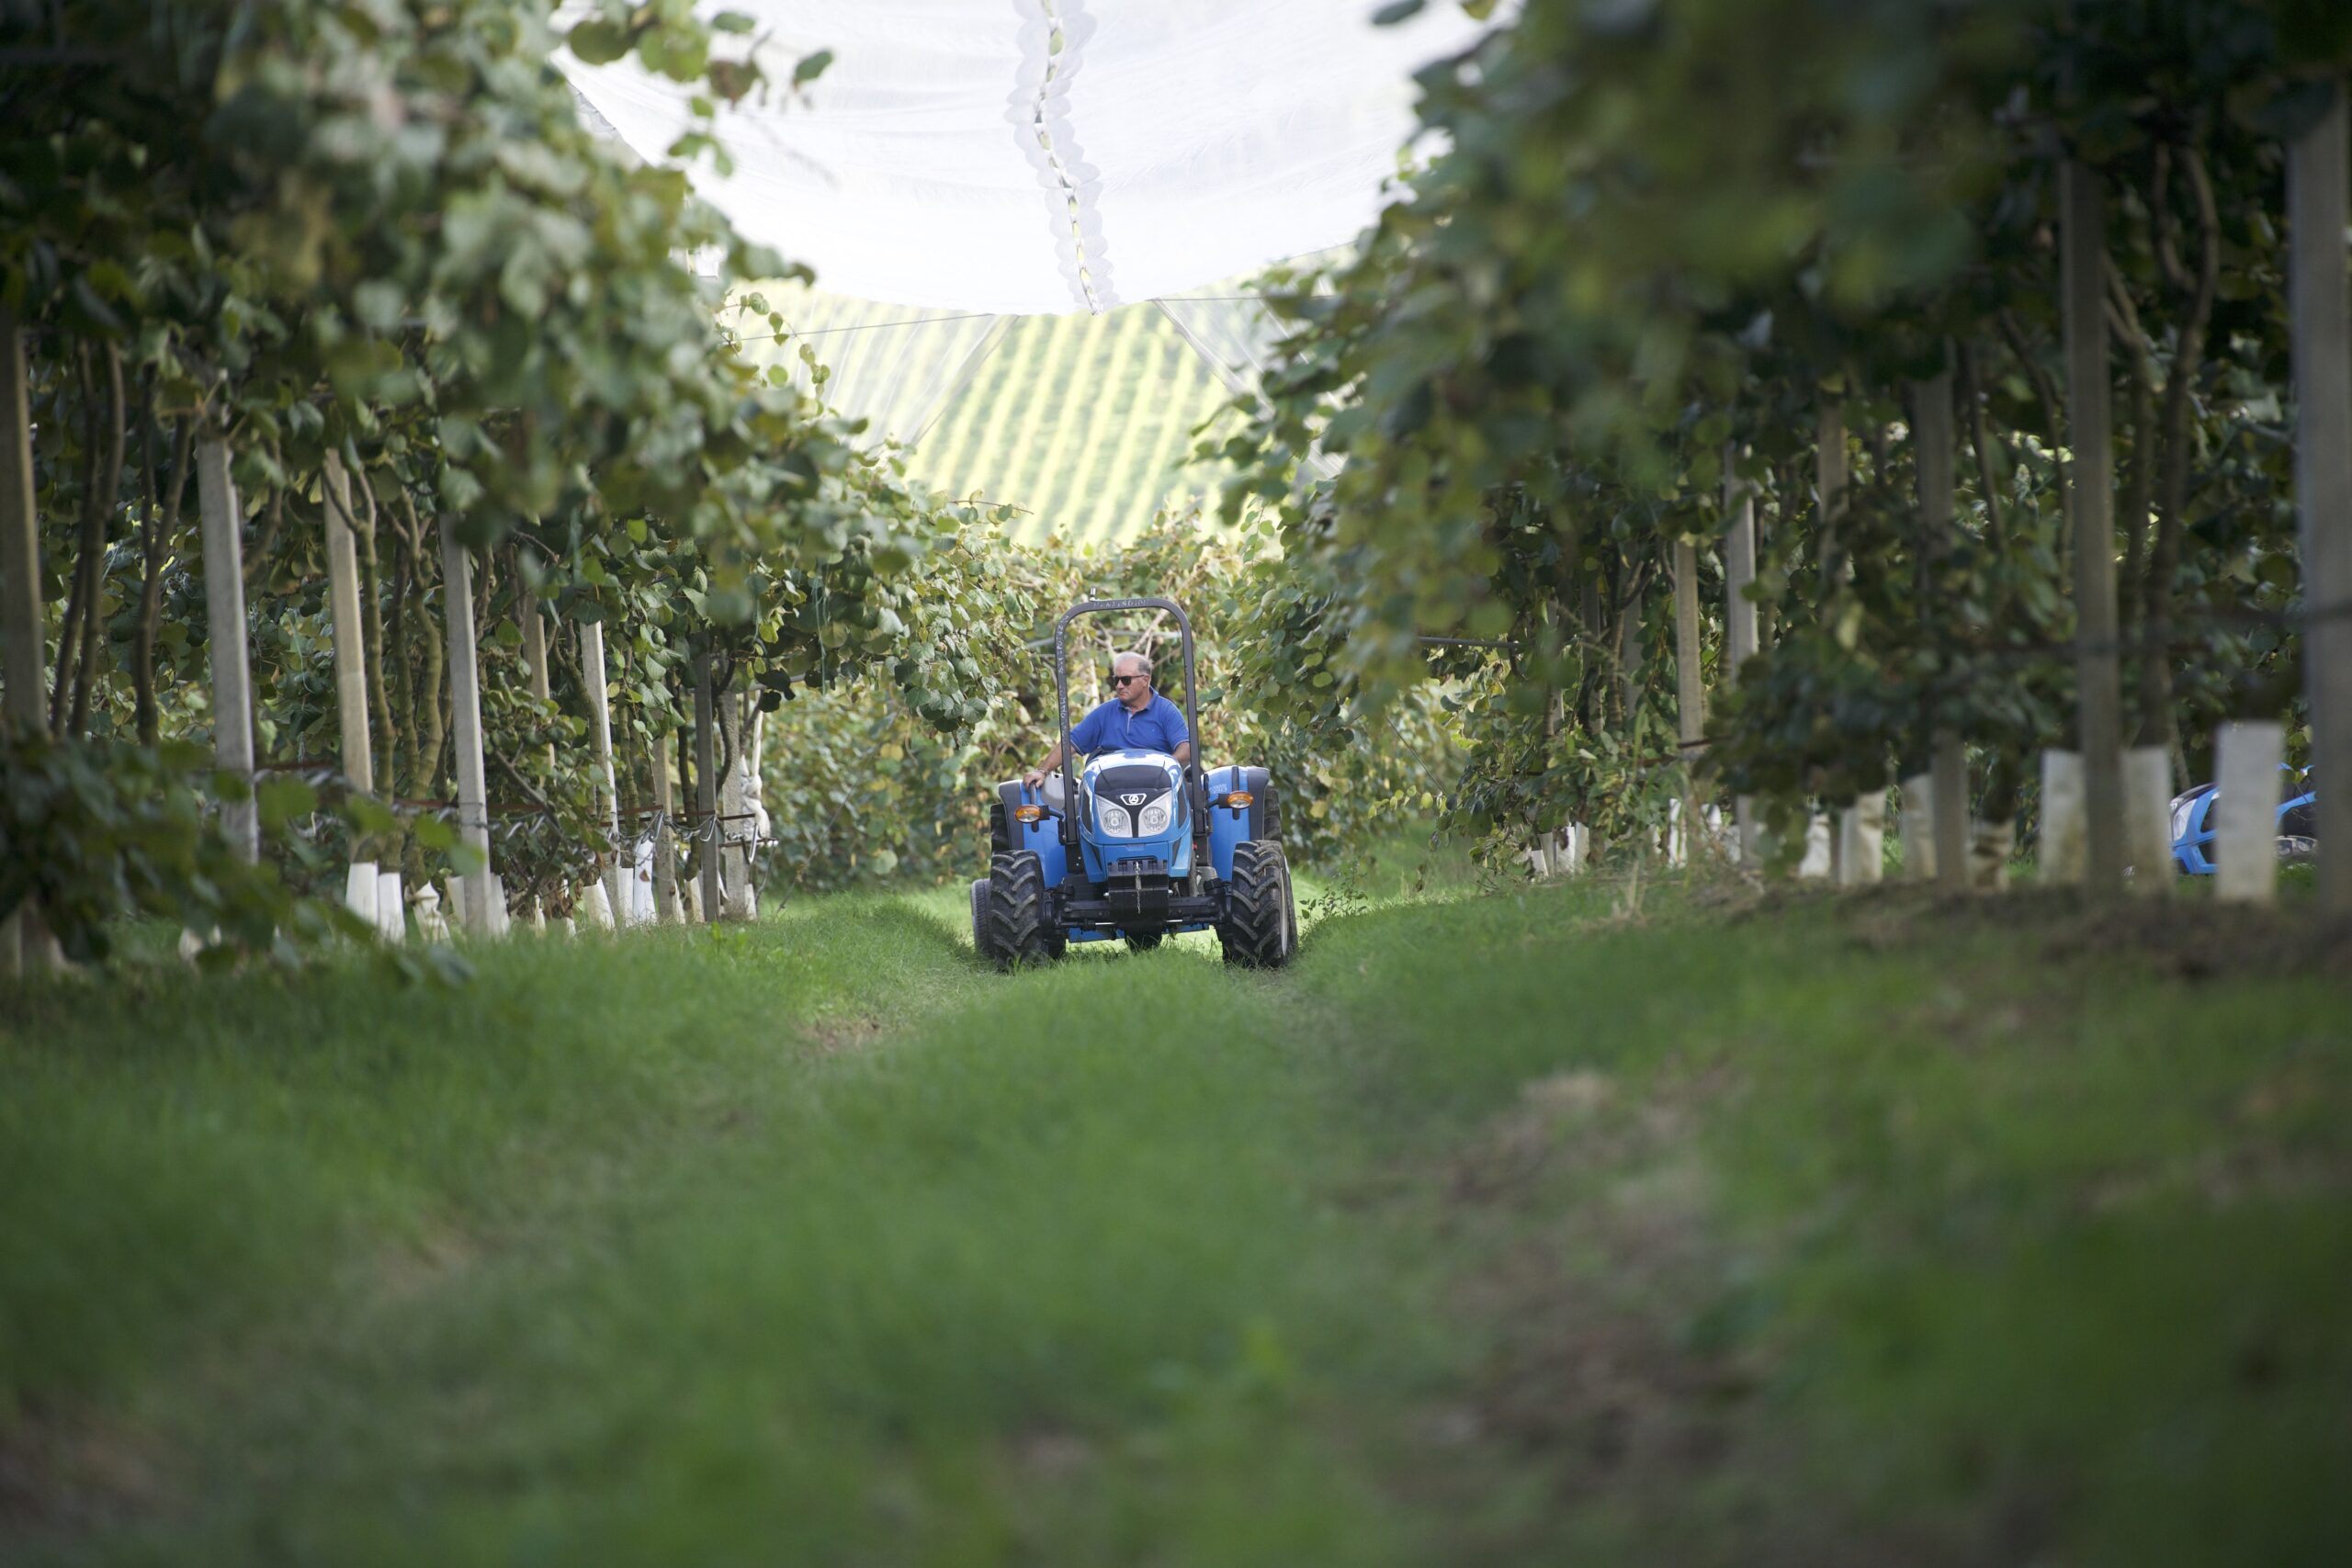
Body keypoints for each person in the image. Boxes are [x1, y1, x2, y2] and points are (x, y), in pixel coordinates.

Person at [1023, 650, 1190, 793]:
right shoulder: (1105, 713)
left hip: (1156, 790)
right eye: (1116, 680)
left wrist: (1166, 765)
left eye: (1126, 680)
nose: (1119, 685)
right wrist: (1042, 771)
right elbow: (1072, 743)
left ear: (1145, 680)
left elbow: (1186, 748)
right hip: (1110, 792)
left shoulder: (1166, 711)